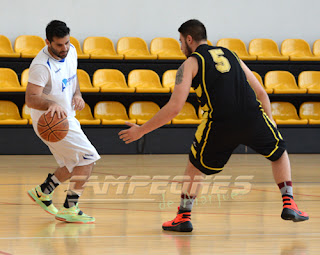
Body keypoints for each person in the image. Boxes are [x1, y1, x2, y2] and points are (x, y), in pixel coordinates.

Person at [119, 19, 309, 232]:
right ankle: (289, 203)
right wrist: (270, 121)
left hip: (220, 123)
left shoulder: (190, 64)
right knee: (279, 153)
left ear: (189, 39)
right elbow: (261, 92)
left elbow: (174, 108)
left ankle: (183, 216)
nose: (181, 47)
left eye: (181, 42)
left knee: (195, 166)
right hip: (253, 116)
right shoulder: (231, 54)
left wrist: (141, 130)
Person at [26, 20, 100, 224]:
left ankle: (43, 192)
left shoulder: (71, 51)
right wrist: (50, 103)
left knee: (73, 162)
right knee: (88, 158)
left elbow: (73, 77)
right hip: (49, 121)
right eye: (59, 45)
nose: (64, 48)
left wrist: (77, 95)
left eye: (66, 43)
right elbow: (31, 98)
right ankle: (70, 207)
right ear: (48, 42)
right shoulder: (41, 66)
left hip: (67, 116)